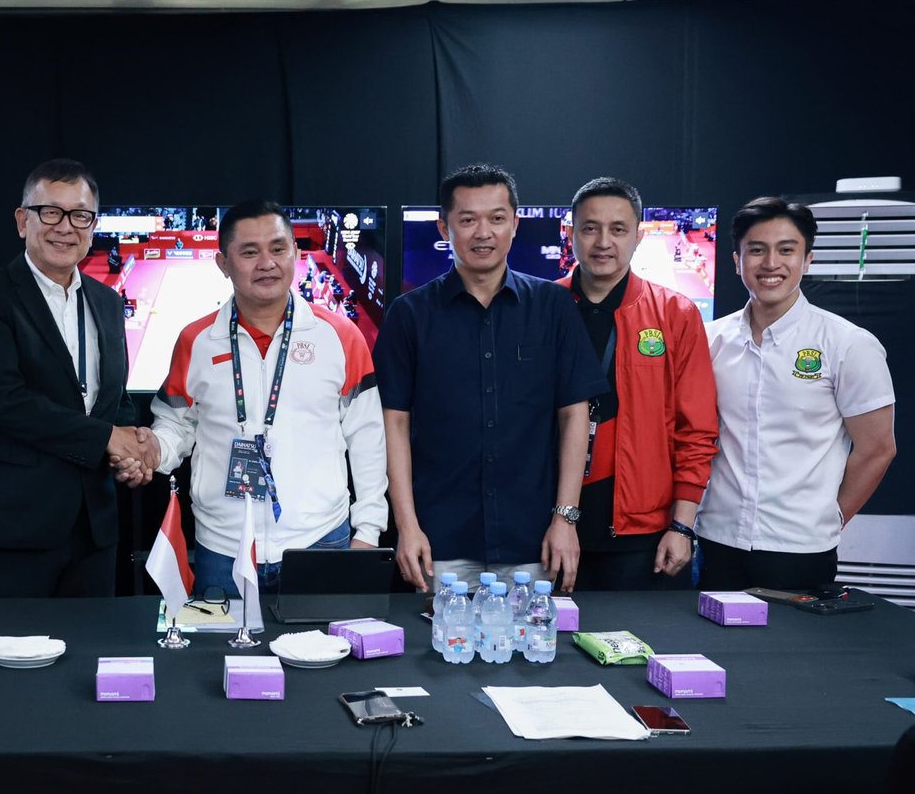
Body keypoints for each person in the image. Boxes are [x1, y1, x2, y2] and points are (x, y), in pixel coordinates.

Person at [377, 163, 605, 593]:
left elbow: (574, 415)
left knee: (531, 639)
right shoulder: (409, 315)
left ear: (515, 224)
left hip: (534, 540)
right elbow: (395, 424)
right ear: (444, 227)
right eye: (467, 220)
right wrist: (407, 526)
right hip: (439, 539)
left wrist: (565, 518)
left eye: (497, 218)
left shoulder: (554, 307)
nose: (483, 233)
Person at [145, 200, 387, 593]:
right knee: (219, 638)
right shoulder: (196, 340)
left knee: (323, 638)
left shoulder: (340, 337)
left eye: (278, 248)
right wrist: (153, 450)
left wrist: (369, 531)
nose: (267, 263)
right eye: (249, 252)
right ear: (223, 263)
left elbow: (368, 438)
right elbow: (175, 423)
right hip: (223, 548)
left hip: (320, 541)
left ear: (296, 252)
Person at [0, 158, 154, 597]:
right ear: (22, 220)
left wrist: (132, 450)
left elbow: (114, 398)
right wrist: (107, 438)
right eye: (50, 212)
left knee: (94, 640)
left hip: (95, 528)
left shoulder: (107, 302)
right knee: (13, 641)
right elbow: (5, 403)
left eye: (80, 215)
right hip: (16, 527)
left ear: (93, 226)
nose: (65, 227)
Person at [697, 197, 896, 590]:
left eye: (786, 250)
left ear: (807, 260)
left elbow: (878, 448)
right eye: (757, 250)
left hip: (800, 548)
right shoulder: (709, 340)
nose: (771, 263)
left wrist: (829, 518)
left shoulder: (848, 343)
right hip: (717, 539)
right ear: (737, 261)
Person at [556, 177, 718, 590]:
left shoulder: (676, 314)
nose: (603, 242)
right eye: (590, 228)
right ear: (570, 233)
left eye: (618, 229)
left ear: (638, 236)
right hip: (548, 527)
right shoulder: (541, 308)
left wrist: (682, 526)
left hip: (642, 535)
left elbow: (697, 430)